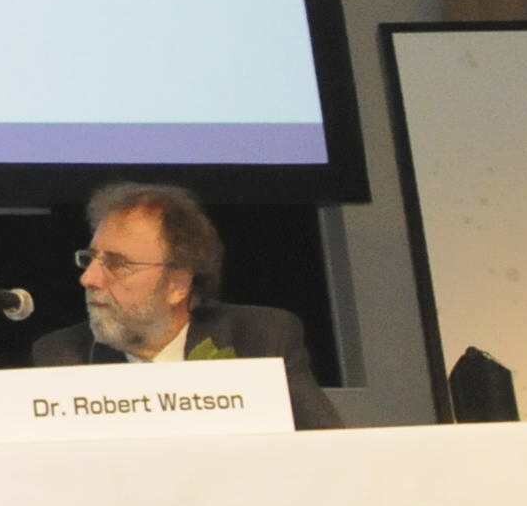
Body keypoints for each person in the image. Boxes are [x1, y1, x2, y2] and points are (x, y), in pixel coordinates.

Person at [28, 180, 340, 429]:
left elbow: (331, 452)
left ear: (177, 285)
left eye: (117, 264)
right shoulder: (63, 357)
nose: (89, 278)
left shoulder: (259, 340)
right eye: (90, 259)